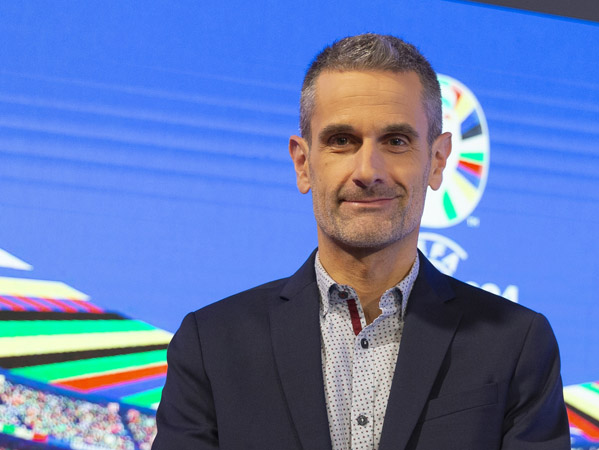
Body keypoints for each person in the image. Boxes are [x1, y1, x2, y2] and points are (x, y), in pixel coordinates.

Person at [153, 33, 570, 450]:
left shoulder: (516, 343)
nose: (368, 171)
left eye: (396, 141)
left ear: (437, 160)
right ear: (303, 163)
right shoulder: (211, 344)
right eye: (341, 141)